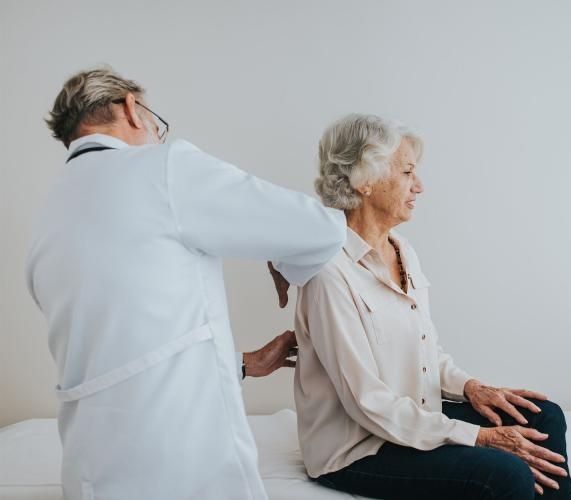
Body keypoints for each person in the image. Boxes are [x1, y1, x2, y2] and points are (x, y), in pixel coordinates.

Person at [25, 66, 346, 500]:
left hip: (87, 472)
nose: (159, 134)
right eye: (157, 123)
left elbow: (117, 352)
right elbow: (320, 229)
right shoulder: (163, 167)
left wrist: (240, 365)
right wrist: (279, 255)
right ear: (132, 109)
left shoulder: (49, 218)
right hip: (178, 467)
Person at [294, 114, 571, 499]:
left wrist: (472, 388)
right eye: (408, 172)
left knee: (545, 417)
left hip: (414, 420)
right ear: (364, 180)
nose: (420, 186)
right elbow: (366, 402)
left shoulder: (403, 250)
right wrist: (477, 436)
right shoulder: (329, 273)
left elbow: (424, 352)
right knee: (507, 475)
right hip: (360, 448)